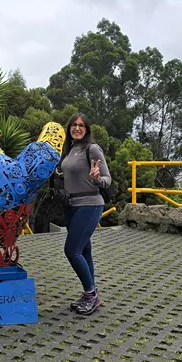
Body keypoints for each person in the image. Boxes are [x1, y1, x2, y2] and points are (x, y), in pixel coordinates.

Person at [59, 113, 111, 315]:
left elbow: (108, 180)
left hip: (90, 204)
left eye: (81, 125)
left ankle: (91, 294)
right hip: (71, 205)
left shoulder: (93, 149)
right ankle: (90, 292)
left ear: (87, 129)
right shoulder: (70, 149)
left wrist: (97, 179)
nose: (77, 128)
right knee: (84, 250)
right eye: (74, 125)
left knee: (72, 250)